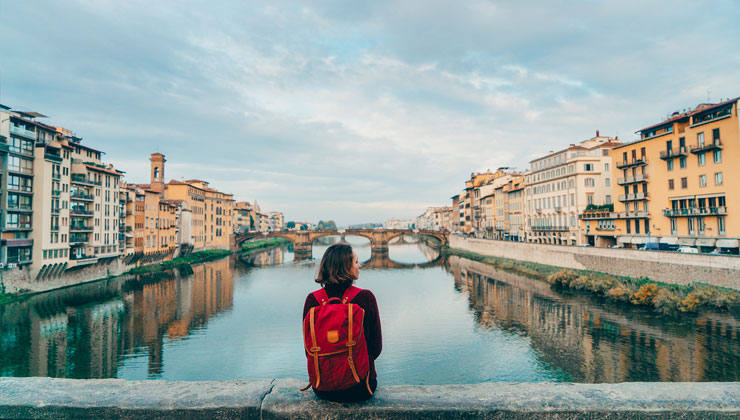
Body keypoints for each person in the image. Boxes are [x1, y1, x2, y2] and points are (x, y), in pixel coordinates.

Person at [302, 242, 382, 402]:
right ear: (345, 267)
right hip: (361, 387)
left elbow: (308, 350)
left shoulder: (313, 300)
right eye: (355, 262)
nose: (359, 266)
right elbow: (376, 348)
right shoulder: (365, 298)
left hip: (322, 388)